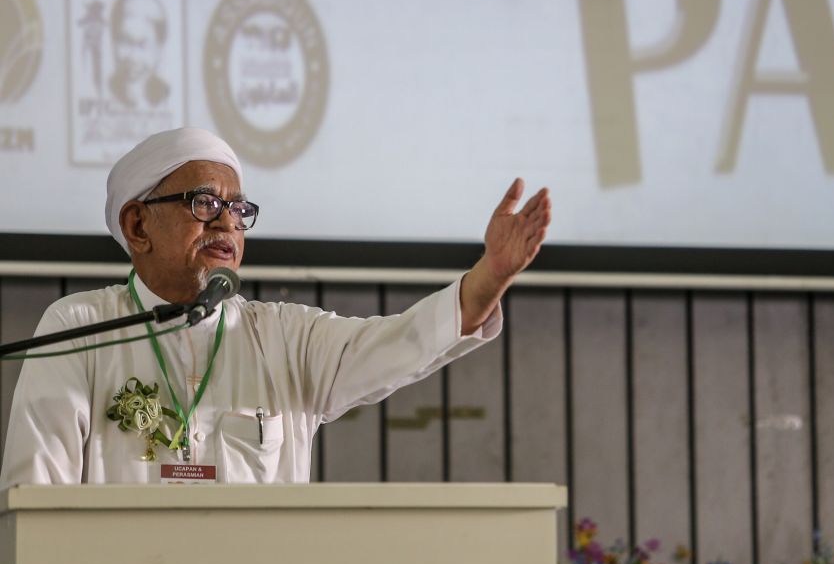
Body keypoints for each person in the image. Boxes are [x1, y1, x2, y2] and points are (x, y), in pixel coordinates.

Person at [0, 127, 551, 485]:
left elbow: (399, 345)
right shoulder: (79, 329)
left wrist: (488, 278)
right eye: (205, 202)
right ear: (137, 224)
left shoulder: (284, 338)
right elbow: (34, 501)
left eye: (238, 210)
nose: (226, 224)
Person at [107, 0, 171, 109]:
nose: (133, 56)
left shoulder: (165, 95)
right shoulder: (106, 91)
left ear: (159, 49)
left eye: (142, 45)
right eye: (125, 42)